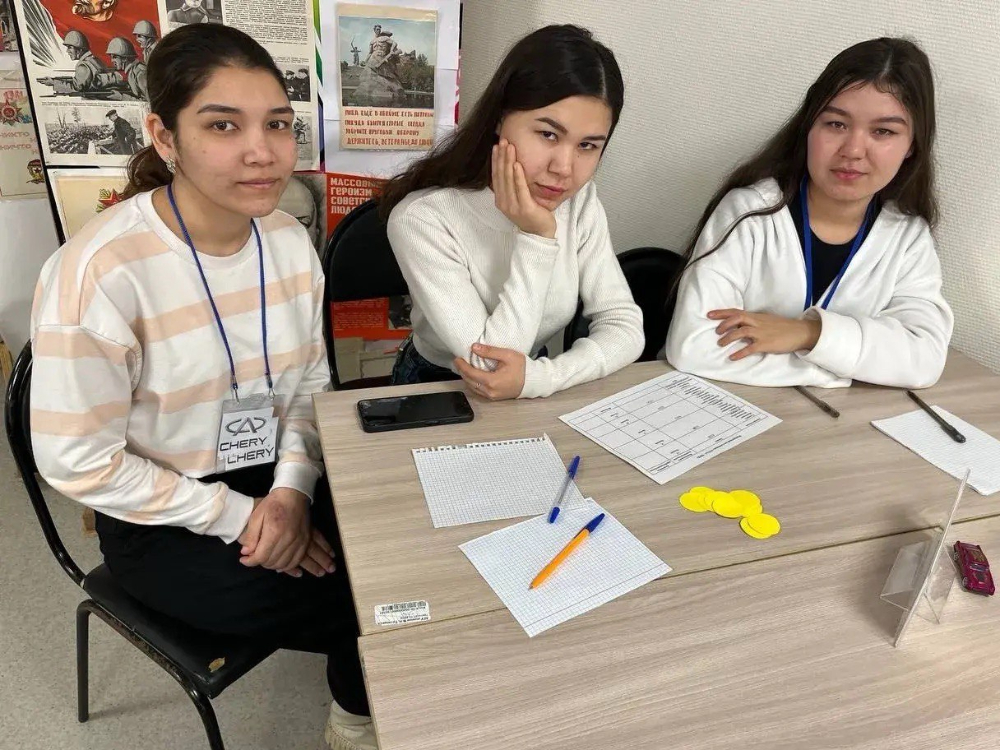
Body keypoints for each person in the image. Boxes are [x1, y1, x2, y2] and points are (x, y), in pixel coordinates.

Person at [30, 24, 374, 750]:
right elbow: (76, 462)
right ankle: (355, 723)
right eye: (223, 125)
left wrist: (290, 491)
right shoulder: (100, 272)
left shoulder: (287, 241)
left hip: (274, 469)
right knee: (369, 604)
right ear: (164, 136)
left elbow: (309, 379)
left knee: (398, 549)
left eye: (277, 124)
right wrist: (238, 517)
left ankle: (361, 694)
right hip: (160, 510)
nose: (262, 151)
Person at [665, 37, 952, 390]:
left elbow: (925, 358)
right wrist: (844, 368)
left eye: (883, 131)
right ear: (809, 127)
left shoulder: (907, 237)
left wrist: (809, 334)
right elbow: (694, 347)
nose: (853, 150)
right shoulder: (749, 213)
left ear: (912, 146)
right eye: (836, 124)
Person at [381, 25, 643, 399]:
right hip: (436, 385)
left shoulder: (580, 202)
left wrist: (544, 377)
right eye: (548, 134)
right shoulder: (422, 218)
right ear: (500, 118)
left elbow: (624, 324)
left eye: (587, 145)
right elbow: (488, 365)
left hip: (531, 380)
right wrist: (537, 236)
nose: (564, 168)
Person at [106, 36, 148, 101]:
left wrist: (121, 97)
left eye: (115, 57)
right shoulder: (133, 71)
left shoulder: (140, 73)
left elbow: (148, 102)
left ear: (124, 58)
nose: (112, 60)